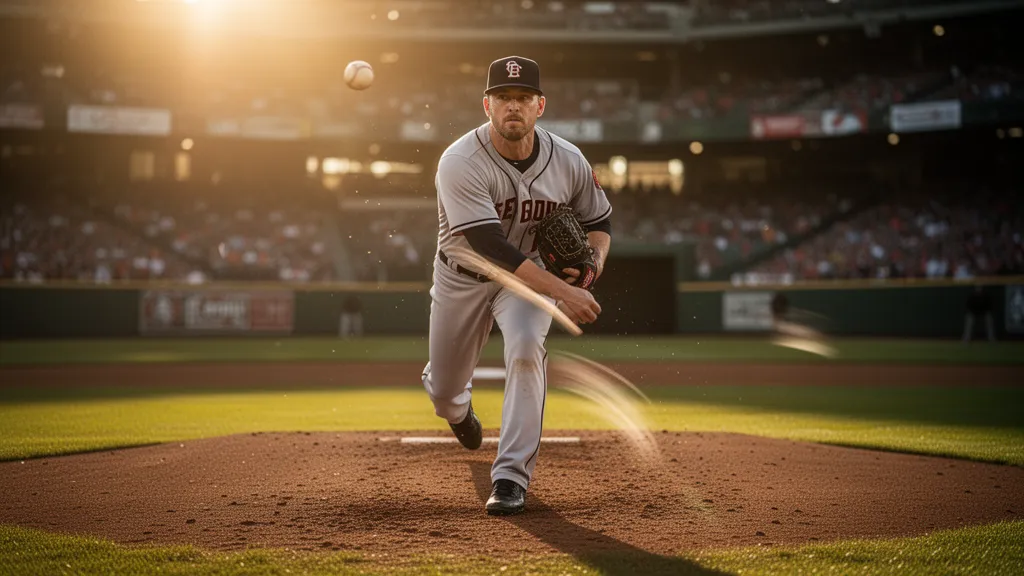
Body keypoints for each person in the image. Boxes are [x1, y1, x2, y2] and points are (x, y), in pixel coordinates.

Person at [422, 56, 611, 516]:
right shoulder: (459, 161)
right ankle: (458, 411)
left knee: (527, 348)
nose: (513, 106)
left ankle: (510, 477)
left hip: (525, 281)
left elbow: (600, 221)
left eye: (523, 98)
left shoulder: (567, 159)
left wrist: (591, 268)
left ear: (540, 105)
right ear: (486, 105)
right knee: (445, 392)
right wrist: (565, 292)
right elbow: (489, 246)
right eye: (503, 98)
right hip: (463, 275)